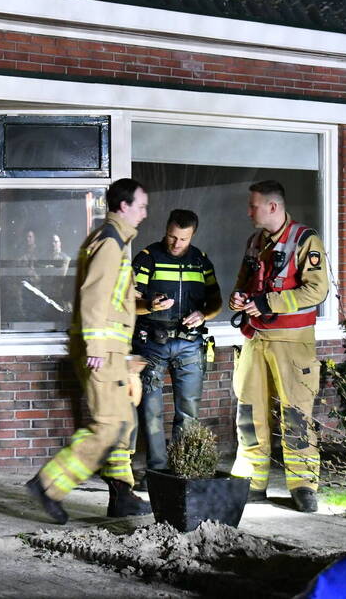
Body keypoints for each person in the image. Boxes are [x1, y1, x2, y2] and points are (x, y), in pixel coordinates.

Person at [26, 178, 152, 523]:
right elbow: (95, 294)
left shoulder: (111, 239)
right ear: (123, 206)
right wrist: (97, 345)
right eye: (140, 205)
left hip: (110, 349)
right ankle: (49, 485)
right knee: (109, 425)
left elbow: (110, 298)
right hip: (103, 351)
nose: (144, 212)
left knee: (122, 421)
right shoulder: (110, 243)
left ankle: (122, 494)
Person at [229, 180, 329, 513]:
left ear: (273, 207)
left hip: (292, 341)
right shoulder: (254, 241)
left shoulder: (305, 240)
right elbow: (244, 282)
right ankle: (251, 481)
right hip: (254, 339)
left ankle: (303, 485)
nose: (248, 211)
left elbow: (317, 291)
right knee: (248, 411)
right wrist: (239, 297)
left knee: (296, 414)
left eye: (253, 205)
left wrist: (269, 302)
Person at [131, 209, 222, 489]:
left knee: (188, 410)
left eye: (183, 239)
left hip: (190, 344)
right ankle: (157, 473)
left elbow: (215, 299)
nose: (175, 244)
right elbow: (128, 302)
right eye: (172, 236)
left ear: (192, 234)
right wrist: (150, 305)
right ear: (166, 229)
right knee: (151, 410)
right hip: (152, 344)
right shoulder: (147, 258)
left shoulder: (200, 261)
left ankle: (181, 471)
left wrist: (204, 315)